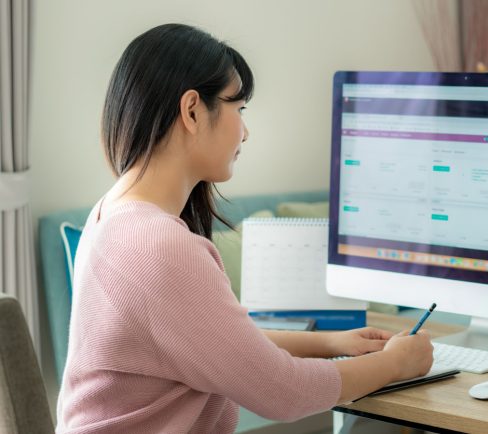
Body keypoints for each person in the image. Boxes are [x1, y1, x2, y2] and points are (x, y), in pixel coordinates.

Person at [55, 24, 433, 433]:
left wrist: (332, 343)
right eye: (239, 109)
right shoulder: (160, 246)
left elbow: (223, 342)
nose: (245, 132)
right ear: (193, 110)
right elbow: (284, 392)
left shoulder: (112, 213)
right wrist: (396, 363)